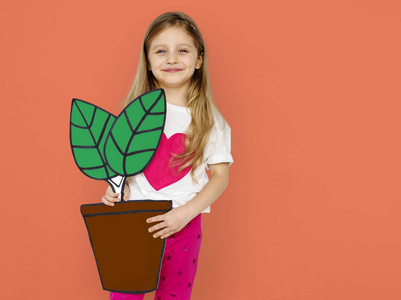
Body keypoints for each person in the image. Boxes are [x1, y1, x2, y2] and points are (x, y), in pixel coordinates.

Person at [101, 11, 233, 300]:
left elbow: (221, 176)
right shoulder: (134, 115)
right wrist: (112, 192)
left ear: (198, 60)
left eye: (182, 51)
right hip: (133, 222)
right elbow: (120, 168)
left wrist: (185, 214)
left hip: (184, 226)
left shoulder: (211, 120)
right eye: (161, 51)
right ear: (148, 62)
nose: (172, 59)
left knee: (174, 296)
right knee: (125, 296)